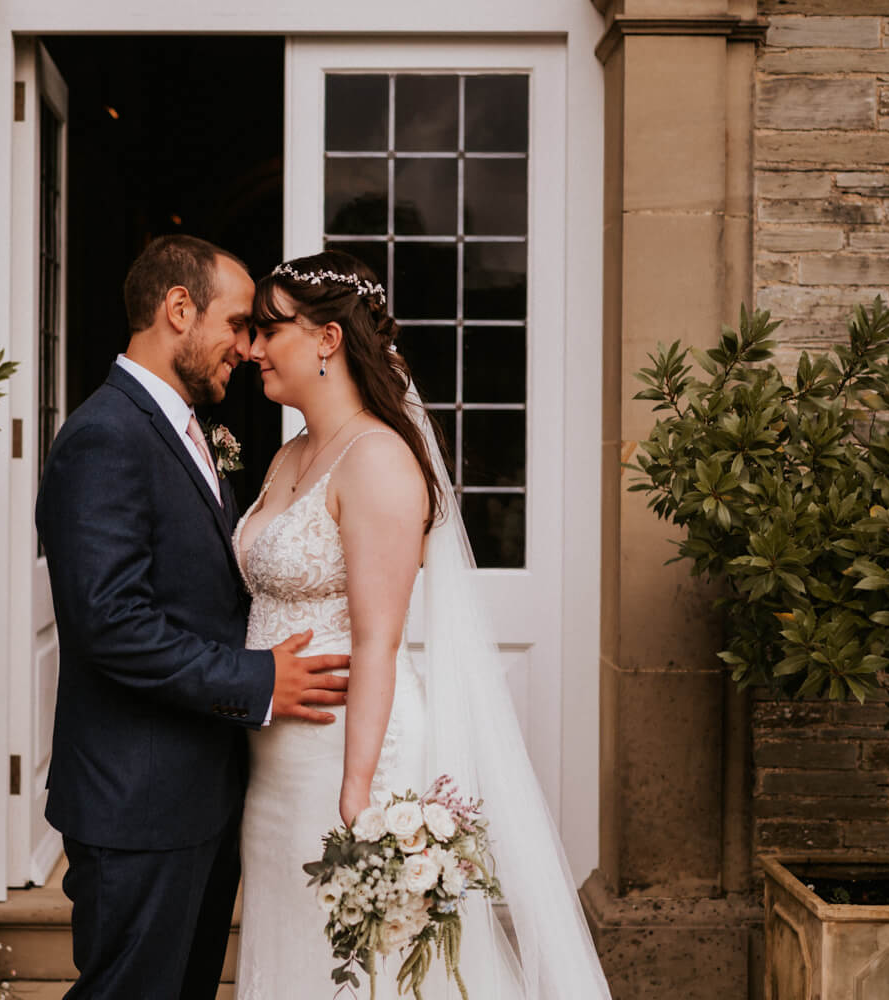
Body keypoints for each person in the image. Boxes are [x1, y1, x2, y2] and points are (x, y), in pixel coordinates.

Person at [233, 250, 613, 998]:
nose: (251, 349)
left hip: (344, 750)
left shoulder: (376, 460)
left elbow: (377, 637)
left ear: (326, 340)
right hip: (274, 759)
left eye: (268, 329)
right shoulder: (289, 455)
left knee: (358, 967)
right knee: (290, 949)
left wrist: (357, 790)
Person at [34, 235, 353, 1000]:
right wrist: (259, 679)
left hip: (200, 793)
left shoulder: (187, 429)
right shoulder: (104, 436)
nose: (246, 349)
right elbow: (109, 621)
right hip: (135, 802)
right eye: (239, 324)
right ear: (179, 309)